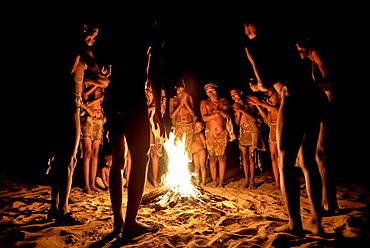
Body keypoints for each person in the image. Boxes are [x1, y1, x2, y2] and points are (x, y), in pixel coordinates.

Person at [244, 19, 327, 236]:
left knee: (286, 162)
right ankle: (317, 221)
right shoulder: (286, 37)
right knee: (308, 160)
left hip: (293, 97)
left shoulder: (254, 45)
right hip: (314, 96)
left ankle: (295, 224)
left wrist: (256, 86)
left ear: (247, 27)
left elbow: (263, 83)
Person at [104, 20, 165, 239]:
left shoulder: (119, 32)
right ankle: (129, 223)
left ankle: (118, 222)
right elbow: (154, 76)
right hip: (133, 97)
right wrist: (158, 109)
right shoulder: (151, 38)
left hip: (113, 97)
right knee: (141, 158)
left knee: (118, 160)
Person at [48, 24, 110, 225]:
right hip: (70, 104)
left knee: (60, 157)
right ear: (84, 31)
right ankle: (63, 210)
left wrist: (99, 79)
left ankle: (53, 207)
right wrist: (104, 79)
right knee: (70, 157)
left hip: (59, 103)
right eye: (93, 35)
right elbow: (97, 74)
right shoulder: (82, 48)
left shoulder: (66, 49)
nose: (94, 39)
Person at [296, 39, 339, 214]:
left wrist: (313, 87)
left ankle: (330, 203)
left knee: (321, 153)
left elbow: (329, 82)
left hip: (327, 104)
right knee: (318, 154)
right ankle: (328, 201)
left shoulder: (315, 55)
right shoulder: (308, 60)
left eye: (298, 47)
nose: (297, 51)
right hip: (320, 104)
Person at [247, 82, 281, 189]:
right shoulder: (266, 98)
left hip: (281, 128)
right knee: (273, 156)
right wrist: (257, 105)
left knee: (283, 157)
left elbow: (277, 110)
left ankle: (285, 180)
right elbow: (266, 116)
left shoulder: (279, 95)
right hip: (272, 128)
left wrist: (260, 104)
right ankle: (277, 182)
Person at [230, 88, 264, 189]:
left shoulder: (249, 103)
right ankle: (246, 180)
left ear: (240, 93)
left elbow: (254, 119)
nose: (233, 97)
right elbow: (236, 122)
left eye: (235, 94)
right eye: (232, 96)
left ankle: (252, 181)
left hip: (251, 132)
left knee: (251, 157)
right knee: (244, 157)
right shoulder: (234, 106)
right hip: (242, 133)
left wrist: (242, 110)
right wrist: (239, 111)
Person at [200, 83, 231, 188]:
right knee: (212, 158)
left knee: (222, 158)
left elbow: (227, 116)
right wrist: (215, 114)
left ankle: (221, 181)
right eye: (208, 92)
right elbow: (204, 118)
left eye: (212, 90)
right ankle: (214, 180)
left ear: (216, 90)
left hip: (222, 133)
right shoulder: (204, 103)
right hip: (210, 133)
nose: (211, 93)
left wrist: (219, 110)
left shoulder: (223, 101)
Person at [81, 82, 108, 194]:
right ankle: (86, 184)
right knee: (88, 153)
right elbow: (85, 100)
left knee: (95, 153)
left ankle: (92, 184)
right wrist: (95, 85)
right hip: (89, 120)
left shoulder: (100, 85)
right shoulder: (87, 84)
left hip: (99, 120)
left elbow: (105, 98)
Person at [169, 79, 197, 162]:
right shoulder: (173, 100)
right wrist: (181, 104)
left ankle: (188, 170)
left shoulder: (189, 98)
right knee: (179, 148)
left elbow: (192, 113)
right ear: (176, 89)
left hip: (189, 126)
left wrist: (185, 103)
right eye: (179, 90)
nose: (180, 93)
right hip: (179, 126)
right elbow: (172, 116)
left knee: (188, 149)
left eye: (182, 91)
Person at [146, 81, 167, 188]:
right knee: (146, 154)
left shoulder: (161, 98)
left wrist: (161, 104)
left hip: (157, 128)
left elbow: (162, 113)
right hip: (147, 126)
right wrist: (152, 108)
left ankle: (155, 179)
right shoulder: (146, 95)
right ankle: (144, 180)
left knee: (156, 155)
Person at [191, 120, 207, 186]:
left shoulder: (201, 134)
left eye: (198, 127)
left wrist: (204, 149)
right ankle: (197, 180)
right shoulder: (193, 135)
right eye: (195, 126)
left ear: (202, 128)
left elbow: (204, 143)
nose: (196, 128)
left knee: (202, 166)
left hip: (201, 152)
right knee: (196, 167)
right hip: (195, 153)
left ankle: (203, 181)